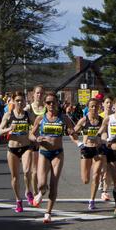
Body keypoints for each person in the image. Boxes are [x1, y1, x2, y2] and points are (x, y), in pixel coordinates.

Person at [30, 92, 79, 223]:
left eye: (53, 102)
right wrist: (36, 138)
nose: (51, 105)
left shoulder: (64, 118)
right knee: (41, 183)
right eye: (48, 102)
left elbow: (73, 133)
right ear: (45, 104)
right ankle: (41, 192)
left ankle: (48, 212)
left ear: (57, 103)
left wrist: (73, 133)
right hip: (44, 153)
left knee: (54, 184)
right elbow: (31, 134)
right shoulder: (40, 119)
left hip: (57, 153)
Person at [0, 92, 35, 211]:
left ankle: (28, 191)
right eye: (17, 100)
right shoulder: (8, 115)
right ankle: (18, 200)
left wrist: (35, 137)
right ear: (13, 101)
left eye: (22, 100)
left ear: (25, 102)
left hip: (26, 147)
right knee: (15, 177)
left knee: (27, 170)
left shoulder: (28, 115)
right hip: (12, 149)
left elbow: (36, 128)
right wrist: (9, 129)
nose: (20, 102)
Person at [74, 98, 104, 210]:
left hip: (98, 150)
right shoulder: (83, 120)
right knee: (85, 179)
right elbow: (73, 132)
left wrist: (103, 139)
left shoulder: (102, 120)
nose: (94, 108)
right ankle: (89, 173)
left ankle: (92, 200)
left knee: (96, 175)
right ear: (88, 107)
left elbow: (107, 132)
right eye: (92, 106)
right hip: (86, 149)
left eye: (96, 106)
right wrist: (78, 142)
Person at [98, 97, 116, 217]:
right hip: (112, 152)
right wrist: (99, 140)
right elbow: (100, 132)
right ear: (114, 106)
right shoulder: (109, 119)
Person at [24, 85, 47, 197]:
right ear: (33, 94)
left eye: (42, 93)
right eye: (37, 93)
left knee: (42, 169)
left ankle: (40, 188)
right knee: (33, 170)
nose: (39, 95)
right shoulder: (28, 108)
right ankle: (34, 193)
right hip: (32, 141)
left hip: (44, 142)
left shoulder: (47, 108)